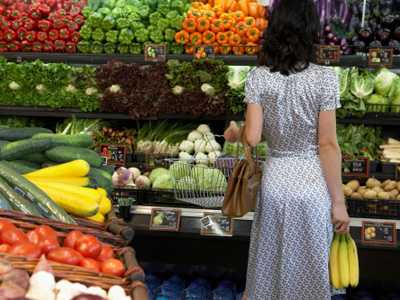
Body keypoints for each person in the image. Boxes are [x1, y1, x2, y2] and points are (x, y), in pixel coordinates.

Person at [224, 0, 350, 299]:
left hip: (276, 182)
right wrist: (338, 203)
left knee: (270, 264)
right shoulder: (325, 78)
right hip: (312, 184)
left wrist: (235, 133)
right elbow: (328, 145)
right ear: (310, 30)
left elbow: (253, 137)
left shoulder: (258, 77)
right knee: (311, 265)